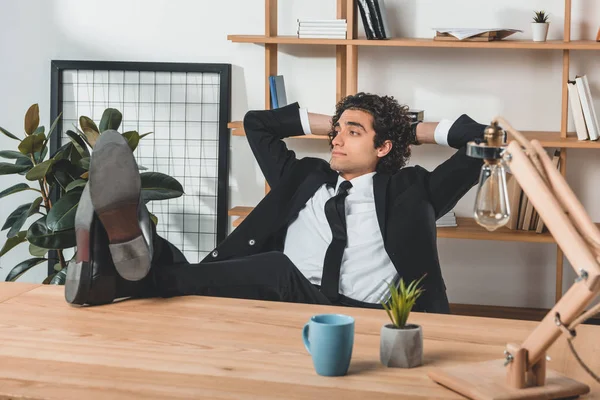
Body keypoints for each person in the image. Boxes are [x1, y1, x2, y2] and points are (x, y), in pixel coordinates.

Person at [65, 92, 486, 313]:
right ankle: (123, 254)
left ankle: (114, 275)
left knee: (277, 267)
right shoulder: (304, 175)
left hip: (363, 314)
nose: (336, 138)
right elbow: (258, 125)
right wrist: (343, 117)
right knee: (171, 258)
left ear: (384, 147)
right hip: (276, 298)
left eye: (352, 132)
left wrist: (402, 127)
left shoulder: (412, 191)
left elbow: (483, 139)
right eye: (335, 131)